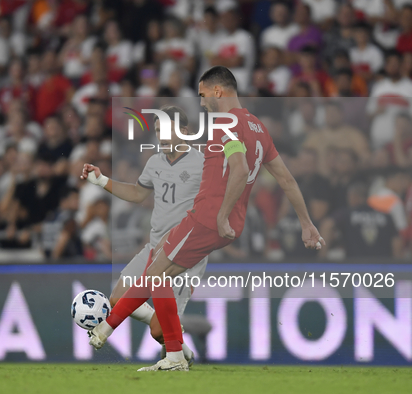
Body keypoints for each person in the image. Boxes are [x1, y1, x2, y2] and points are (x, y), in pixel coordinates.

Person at [85, 66, 324, 371]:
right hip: (225, 221)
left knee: (156, 270)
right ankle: (160, 351)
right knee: (159, 271)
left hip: (208, 216)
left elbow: (237, 169)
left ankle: (133, 341)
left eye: (201, 94)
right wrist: (307, 223)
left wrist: (221, 214)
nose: (200, 102)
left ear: (217, 91)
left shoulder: (224, 122)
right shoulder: (257, 128)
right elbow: (287, 180)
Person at [81, 105, 206, 366]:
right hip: (154, 246)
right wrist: (102, 180)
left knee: (158, 331)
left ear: (184, 131)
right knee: (117, 299)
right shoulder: (155, 161)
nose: (161, 136)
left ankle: (175, 345)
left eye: (167, 130)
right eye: (158, 131)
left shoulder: (203, 162)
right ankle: (179, 349)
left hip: (185, 255)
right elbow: (138, 194)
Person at [319, 183, 403, 258]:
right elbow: (396, 240)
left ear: (354, 196)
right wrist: (396, 264)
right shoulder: (385, 216)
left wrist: (322, 256)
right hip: (381, 267)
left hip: (355, 266)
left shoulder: (347, 215)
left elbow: (327, 225)